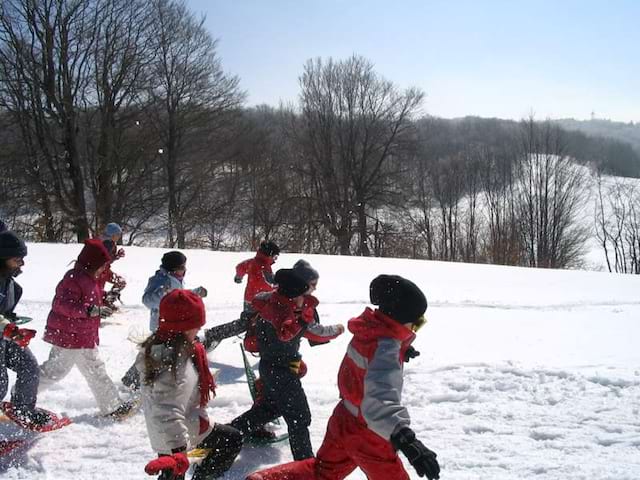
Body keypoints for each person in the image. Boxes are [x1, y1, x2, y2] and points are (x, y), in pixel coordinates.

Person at [245, 275, 441, 480]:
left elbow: (368, 361)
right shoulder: (386, 350)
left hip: (343, 419)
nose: (415, 328)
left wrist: (401, 348)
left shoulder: (370, 331)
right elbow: (378, 401)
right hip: (367, 432)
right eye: (416, 323)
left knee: (323, 472)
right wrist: (406, 440)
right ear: (399, 319)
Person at [230, 269, 344, 461]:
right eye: (303, 295)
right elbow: (315, 332)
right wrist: (337, 329)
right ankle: (305, 463)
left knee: (270, 408)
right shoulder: (288, 317)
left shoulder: (271, 302)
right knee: (299, 417)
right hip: (283, 371)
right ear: (293, 295)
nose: (305, 299)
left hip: (269, 366)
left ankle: (230, 433)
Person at [138, 289, 242, 480]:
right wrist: (179, 451)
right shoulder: (174, 363)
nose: (199, 330)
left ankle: (188, 464)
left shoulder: (166, 346)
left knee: (176, 470)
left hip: (179, 430)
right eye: (196, 325)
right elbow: (166, 410)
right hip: (179, 434)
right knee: (230, 441)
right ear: (183, 327)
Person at [38, 239, 136, 418]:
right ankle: (20, 396)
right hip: (69, 336)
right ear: (92, 263)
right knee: (55, 371)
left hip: (84, 336)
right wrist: (90, 310)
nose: (103, 270)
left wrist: (107, 298)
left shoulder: (91, 279)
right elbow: (61, 305)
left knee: (96, 370)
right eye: (102, 266)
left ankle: (112, 407)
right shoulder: (73, 278)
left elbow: (92, 299)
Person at [121, 251, 207, 390]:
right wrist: (165, 295)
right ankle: (133, 379)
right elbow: (147, 299)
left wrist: (194, 292)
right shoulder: (160, 279)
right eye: (182, 267)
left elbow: (179, 296)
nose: (184, 270)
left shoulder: (176, 279)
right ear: (173, 268)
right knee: (156, 352)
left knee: (164, 352)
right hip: (161, 323)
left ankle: (162, 380)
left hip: (176, 323)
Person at [0, 231, 49, 426]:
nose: (21, 264)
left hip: (4, 337)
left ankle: (22, 409)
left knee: (29, 367)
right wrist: (8, 328)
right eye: (16, 259)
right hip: (4, 334)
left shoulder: (12, 285)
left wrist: (12, 324)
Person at [234, 240, 280, 314]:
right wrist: (283, 287)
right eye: (275, 257)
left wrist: (238, 276)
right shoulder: (264, 267)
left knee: (247, 319)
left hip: (248, 298)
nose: (275, 260)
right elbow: (271, 283)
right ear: (269, 254)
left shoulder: (252, 262)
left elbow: (241, 267)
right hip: (259, 300)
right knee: (257, 322)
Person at [98, 223, 126, 311]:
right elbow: (104, 260)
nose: (119, 237)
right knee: (98, 290)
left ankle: (106, 302)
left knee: (120, 282)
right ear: (112, 234)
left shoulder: (106, 241)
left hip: (104, 270)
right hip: (100, 271)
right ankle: (104, 304)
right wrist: (116, 256)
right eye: (118, 234)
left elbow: (107, 259)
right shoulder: (107, 243)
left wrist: (116, 256)